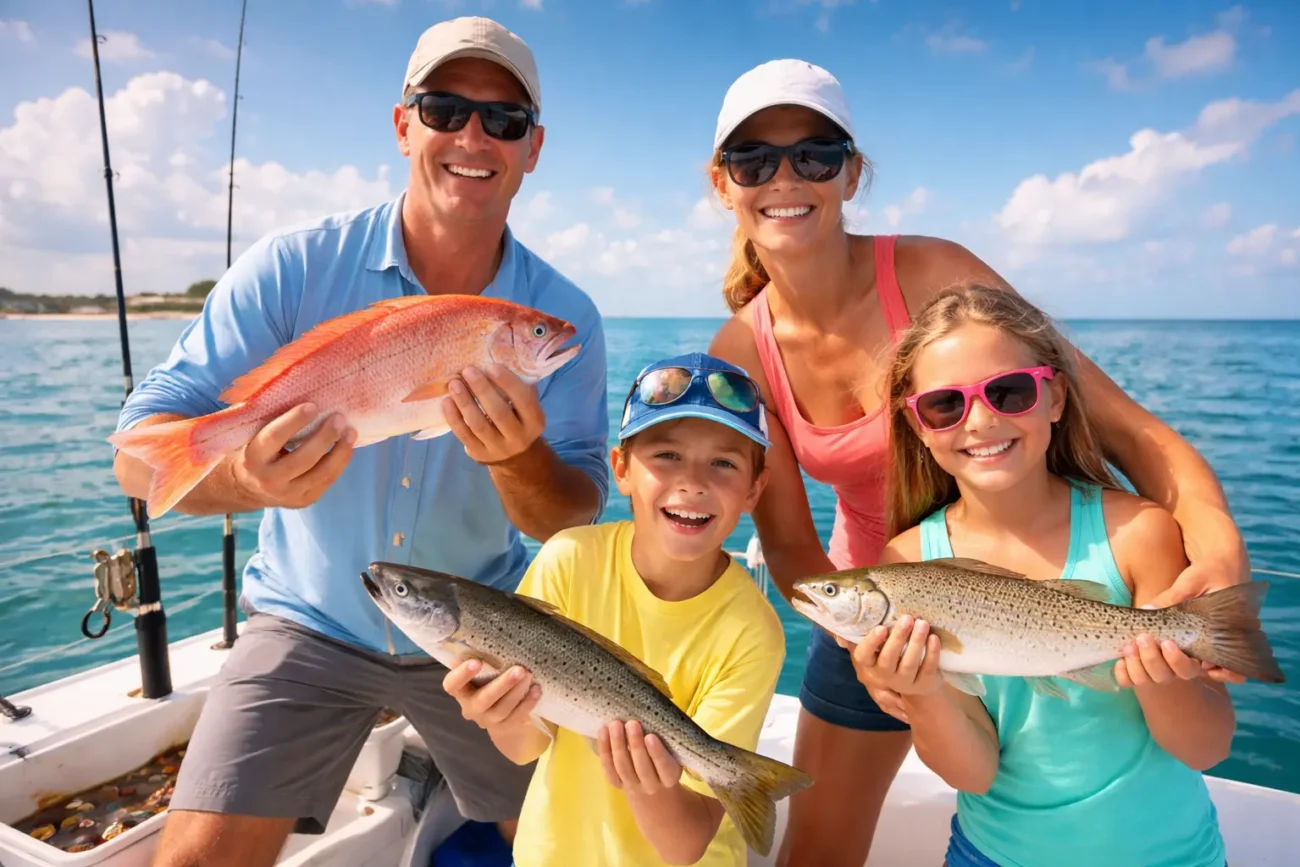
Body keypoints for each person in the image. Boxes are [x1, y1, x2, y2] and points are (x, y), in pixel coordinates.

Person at [704, 58, 1252, 866]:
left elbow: (1132, 432)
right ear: (724, 183)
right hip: (883, 606)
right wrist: (877, 654)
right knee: (814, 849)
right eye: (754, 160)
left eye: (815, 154)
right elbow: (787, 547)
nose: (786, 177)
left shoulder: (934, 273)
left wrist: (1217, 549)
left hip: (1021, 590)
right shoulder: (739, 350)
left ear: (852, 173)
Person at [110, 17, 609, 867]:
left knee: (575, 844)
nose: (473, 137)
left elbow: (575, 515)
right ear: (403, 123)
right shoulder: (292, 267)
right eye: (445, 109)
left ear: (534, 149)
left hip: (480, 625)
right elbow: (137, 448)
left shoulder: (569, 319)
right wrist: (250, 477)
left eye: (504, 121)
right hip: (307, 618)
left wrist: (518, 461)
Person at [844, 284, 1232, 867]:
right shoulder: (906, 562)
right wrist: (922, 695)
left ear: (1054, 398)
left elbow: (1207, 747)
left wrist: (1159, 676)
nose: (979, 420)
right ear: (918, 425)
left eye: (1008, 392)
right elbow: (973, 773)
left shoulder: (1139, 533)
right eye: (946, 404)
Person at [441, 353, 788, 867]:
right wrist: (496, 713)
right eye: (666, 455)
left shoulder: (753, 632)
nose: (692, 482)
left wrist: (645, 781)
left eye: (724, 463)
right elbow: (524, 748)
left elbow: (686, 845)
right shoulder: (567, 559)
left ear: (754, 489)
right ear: (621, 469)